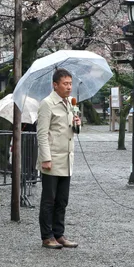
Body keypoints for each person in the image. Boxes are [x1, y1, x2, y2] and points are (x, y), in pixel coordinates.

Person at [37, 68, 81, 250]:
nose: (69, 87)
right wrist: (45, 158)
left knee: (62, 199)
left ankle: (59, 233)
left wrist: (77, 125)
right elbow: (42, 133)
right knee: (49, 199)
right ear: (55, 85)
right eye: (65, 84)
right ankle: (47, 236)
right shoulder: (47, 103)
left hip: (67, 158)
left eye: (70, 83)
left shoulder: (70, 103)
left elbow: (70, 130)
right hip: (53, 159)